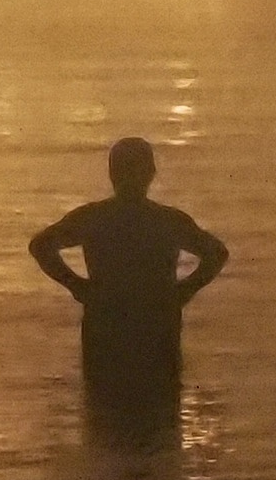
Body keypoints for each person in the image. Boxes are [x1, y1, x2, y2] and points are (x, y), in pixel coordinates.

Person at [30, 135, 227, 429]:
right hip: (156, 324)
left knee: (103, 418)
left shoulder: (94, 218)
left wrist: (78, 287)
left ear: (111, 173)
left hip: (106, 323)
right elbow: (216, 253)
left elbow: (41, 245)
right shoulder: (167, 221)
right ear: (151, 173)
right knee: (160, 421)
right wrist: (183, 291)